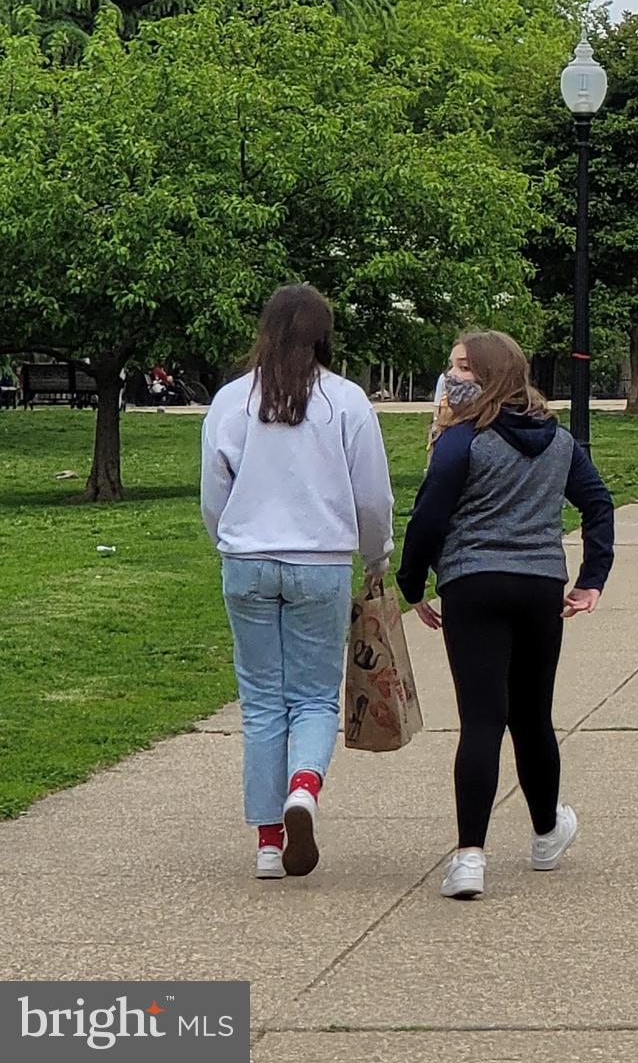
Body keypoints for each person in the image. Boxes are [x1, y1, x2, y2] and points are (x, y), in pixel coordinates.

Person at [397, 330, 615, 900]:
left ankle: (470, 857)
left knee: (482, 720)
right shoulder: (559, 441)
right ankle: (546, 832)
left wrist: (412, 583)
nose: (453, 378)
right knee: (532, 716)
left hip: (473, 582)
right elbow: (596, 503)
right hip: (540, 584)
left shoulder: (460, 442)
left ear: (492, 374)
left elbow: (428, 517)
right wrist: (591, 579)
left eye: (464, 368)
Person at [200, 284, 394, 881]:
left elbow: (214, 491)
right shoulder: (346, 401)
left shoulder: (232, 401)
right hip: (321, 562)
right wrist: (376, 553)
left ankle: (266, 840)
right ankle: (304, 786)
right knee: (312, 695)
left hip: (248, 560)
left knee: (261, 699)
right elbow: (372, 495)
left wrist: (227, 540)